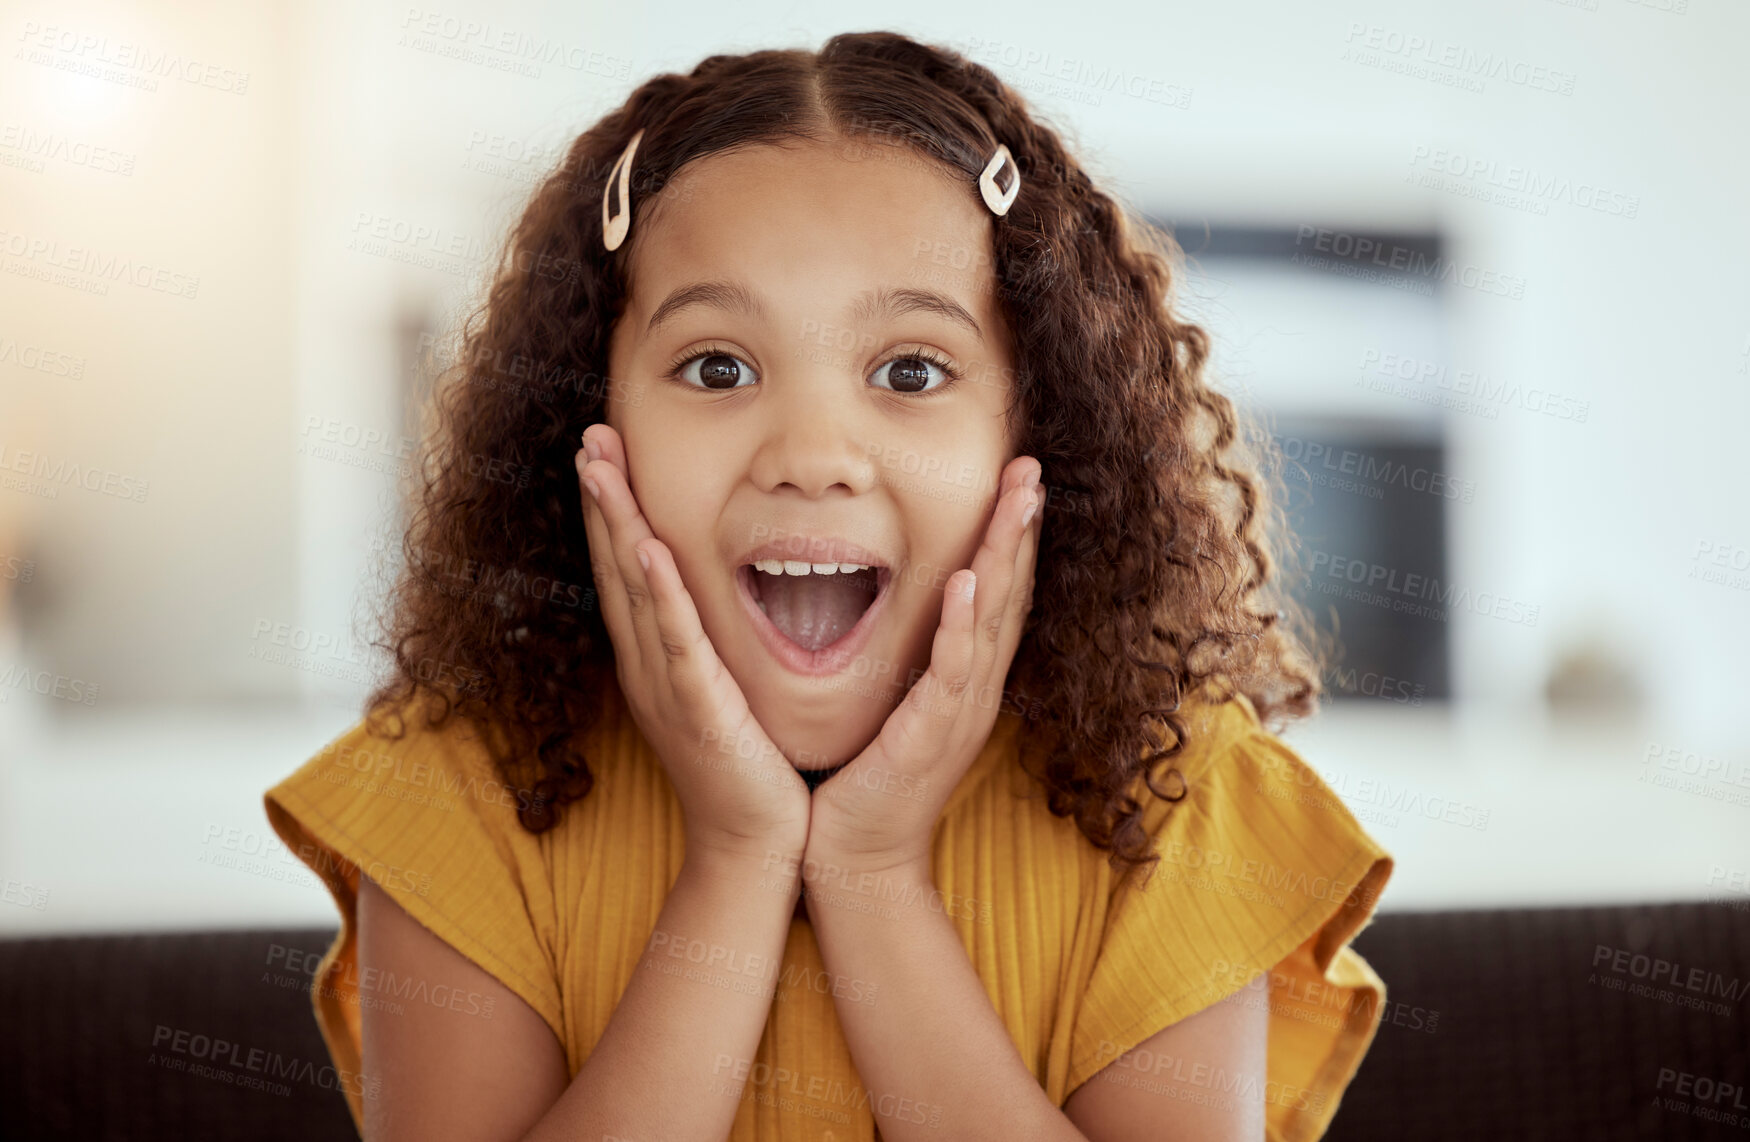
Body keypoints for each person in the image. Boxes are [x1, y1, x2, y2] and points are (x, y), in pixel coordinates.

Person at [264, 30, 1393, 1142]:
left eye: (910, 370)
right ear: (586, 418)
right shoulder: (452, 792)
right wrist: (737, 857)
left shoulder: (1181, 804)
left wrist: (873, 870)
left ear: (1043, 428)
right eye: (717, 366)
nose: (811, 451)